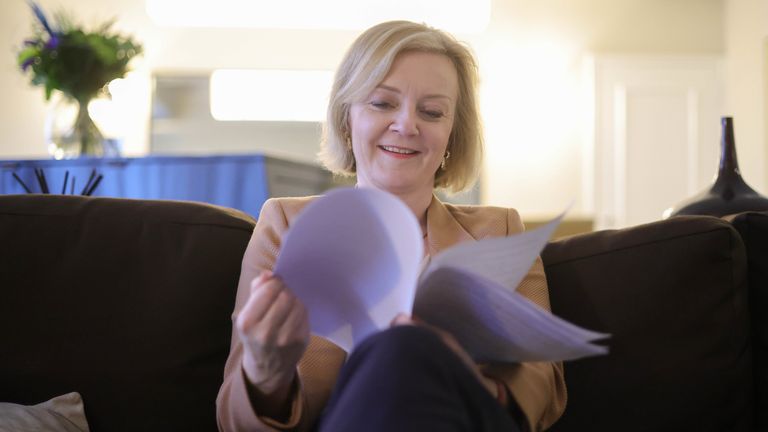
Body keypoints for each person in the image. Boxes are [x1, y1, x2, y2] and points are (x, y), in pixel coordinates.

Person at [216, 20, 566, 432]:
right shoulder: (284, 224)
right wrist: (265, 372)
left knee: (410, 348)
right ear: (348, 119)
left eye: (432, 112)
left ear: (452, 133)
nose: (406, 125)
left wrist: (465, 374)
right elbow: (234, 420)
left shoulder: (501, 227)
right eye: (383, 103)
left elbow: (545, 383)